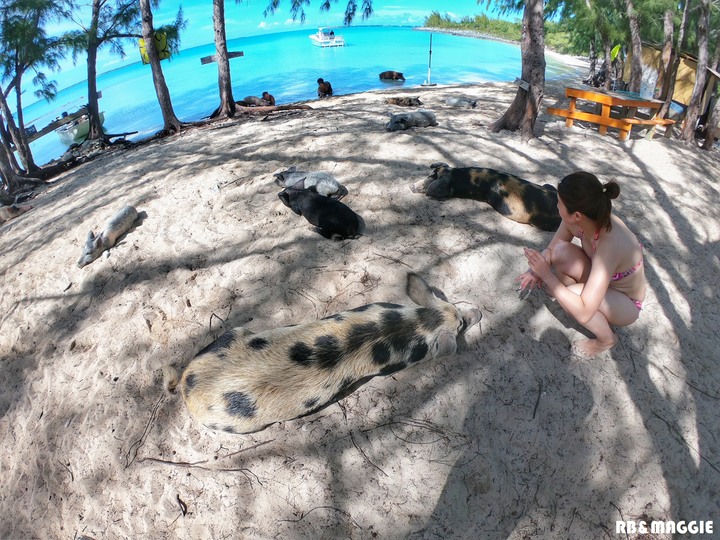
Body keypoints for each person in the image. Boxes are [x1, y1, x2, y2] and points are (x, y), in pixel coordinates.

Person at [517, 171, 646, 357]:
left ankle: (606, 340)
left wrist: (548, 276)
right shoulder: (580, 220)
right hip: (602, 278)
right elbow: (553, 250)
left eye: (559, 203)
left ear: (576, 215)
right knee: (561, 251)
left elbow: (585, 311)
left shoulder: (610, 244)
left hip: (626, 302)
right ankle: (572, 297)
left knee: (575, 302)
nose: (557, 206)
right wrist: (534, 270)